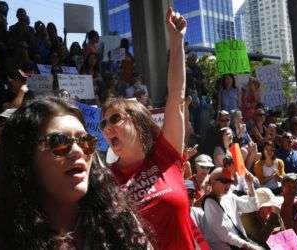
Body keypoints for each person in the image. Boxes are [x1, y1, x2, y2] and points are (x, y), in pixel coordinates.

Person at [0, 97, 150, 249]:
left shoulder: (118, 219)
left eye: (85, 141)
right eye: (58, 142)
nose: (78, 151)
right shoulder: (1, 239)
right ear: (25, 156)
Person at [100, 9, 195, 249]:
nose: (107, 128)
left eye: (114, 119)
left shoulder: (166, 155)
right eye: (103, 124)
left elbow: (176, 95)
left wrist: (176, 41)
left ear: (137, 120)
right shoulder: (105, 181)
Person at [203, 167, 263, 250]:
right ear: (213, 182)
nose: (228, 185)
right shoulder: (209, 203)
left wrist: (250, 184)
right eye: (224, 181)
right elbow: (224, 234)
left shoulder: (229, 196)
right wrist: (249, 246)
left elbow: (253, 206)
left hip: (242, 244)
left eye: (230, 181)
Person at [185, 180, 210, 250]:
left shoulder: (199, 212)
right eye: (187, 195)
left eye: (192, 195)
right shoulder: (174, 217)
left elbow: (210, 235)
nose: (191, 198)